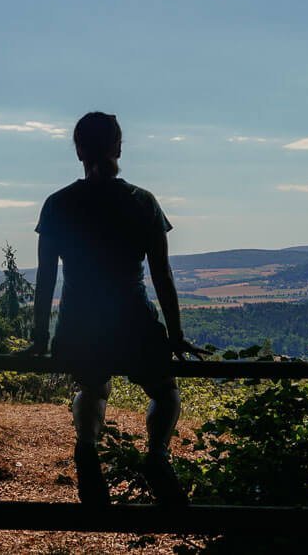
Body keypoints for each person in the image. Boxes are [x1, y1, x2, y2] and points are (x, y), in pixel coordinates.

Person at [22, 111, 208, 506]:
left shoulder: (58, 204)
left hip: (78, 323)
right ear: (118, 148)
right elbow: (163, 275)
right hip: (133, 321)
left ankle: (86, 453)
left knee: (92, 387)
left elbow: (45, 280)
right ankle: (157, 457)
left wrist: (40, 336)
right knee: (165, 392)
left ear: (78, 151)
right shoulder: (142, 202)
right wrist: (174, 334)